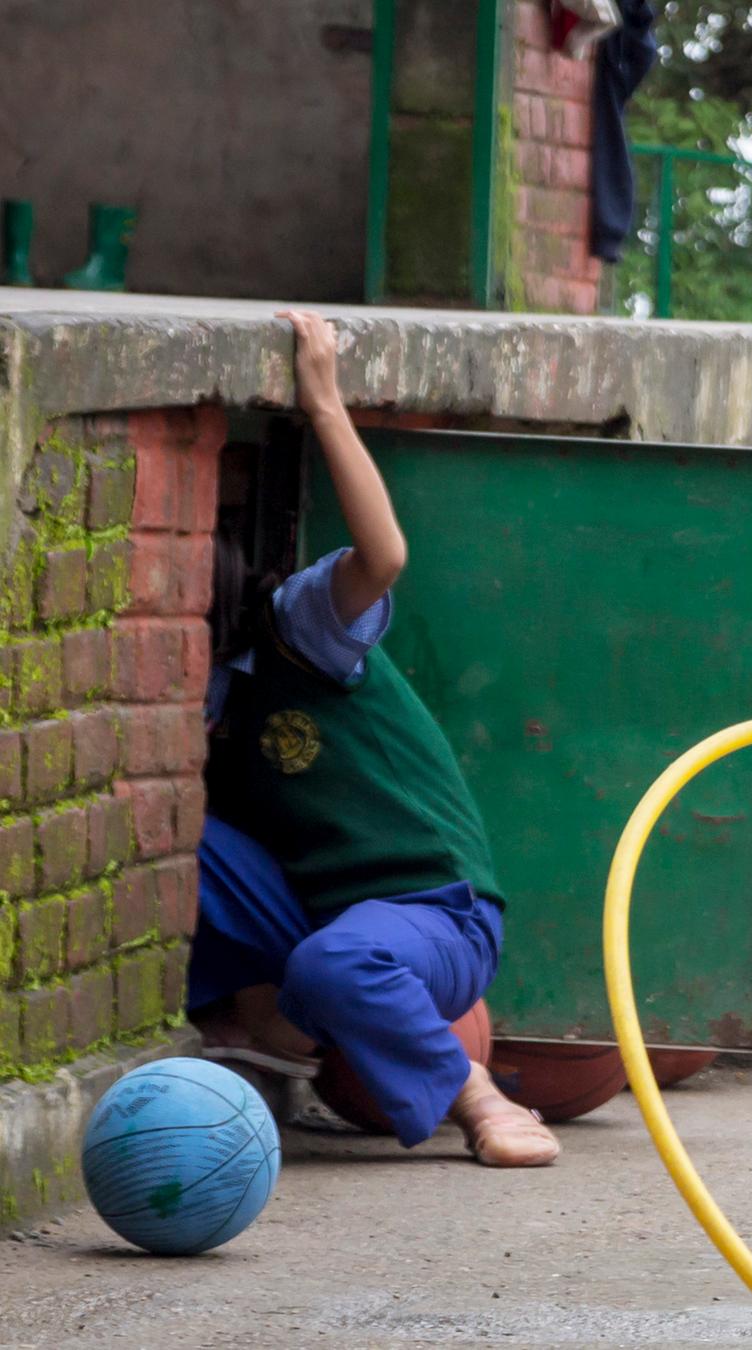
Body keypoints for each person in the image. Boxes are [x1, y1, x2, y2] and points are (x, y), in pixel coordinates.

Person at [187, 309, 559, 1168]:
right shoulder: (197, 697)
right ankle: (244, 1026)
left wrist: (324, 405)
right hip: (313, 918)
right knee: (161, 846)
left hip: (433, 920)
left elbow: (383, 555)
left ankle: (479, 1097)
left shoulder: (302, 627)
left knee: (338, 965)